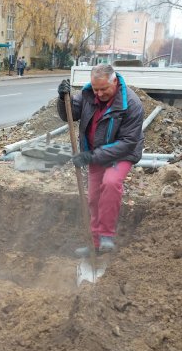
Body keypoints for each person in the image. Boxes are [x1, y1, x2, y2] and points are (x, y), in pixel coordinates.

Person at [57, 64, 144, 254]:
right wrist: (63, 100)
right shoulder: (88, 95)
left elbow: (128, 142)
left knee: (111, 182)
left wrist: (90, 156)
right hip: (95, 153)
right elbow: (69, 115)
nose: (99, 93)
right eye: (96, 89)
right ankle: (95, 245)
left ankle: (106, 235)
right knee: (94, 197)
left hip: (121, 153)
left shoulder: (131, 103)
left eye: (104, 89)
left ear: (114, 81)